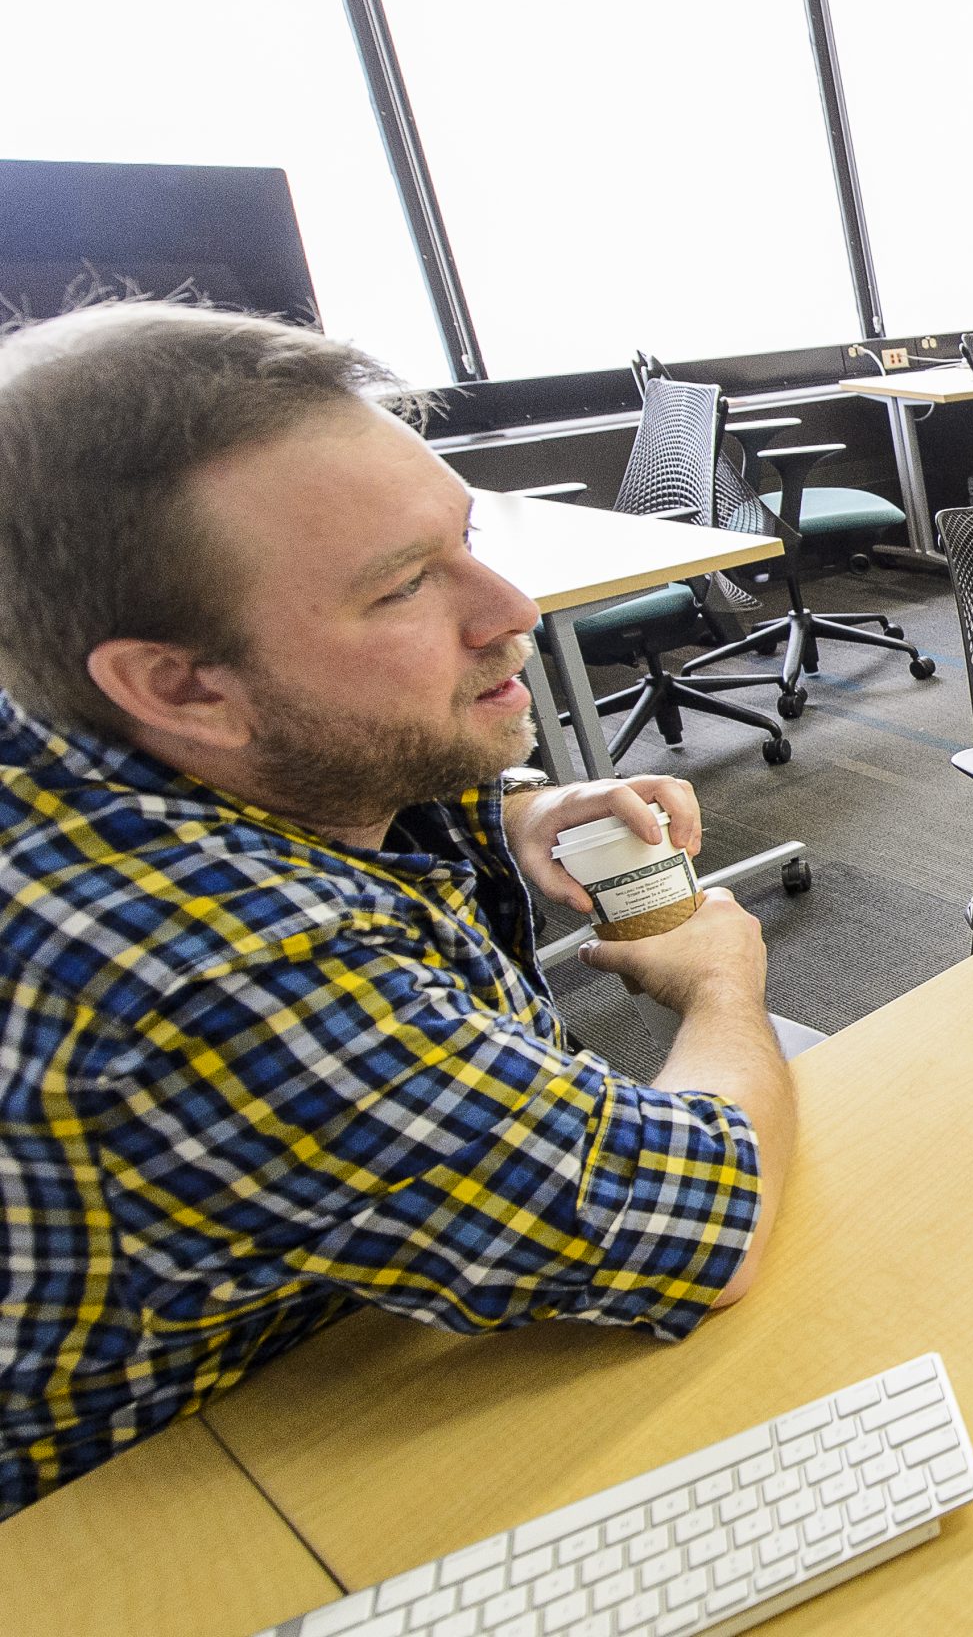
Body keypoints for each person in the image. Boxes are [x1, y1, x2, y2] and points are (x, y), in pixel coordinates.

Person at [0, 303, 795, 1518]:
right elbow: (701, 1222)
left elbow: (319, 758)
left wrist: (517, 808)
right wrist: (719, 982)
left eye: (465, 537)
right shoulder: (221, 968)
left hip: (332, 1325)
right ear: (177, 683)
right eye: (406, 587)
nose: (510, 610)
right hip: (186, 1501)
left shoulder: (80, 722)